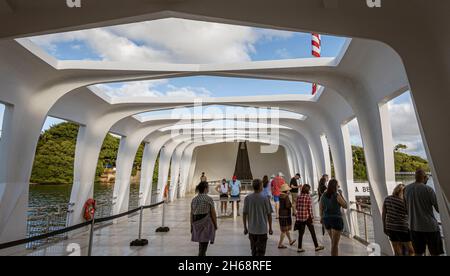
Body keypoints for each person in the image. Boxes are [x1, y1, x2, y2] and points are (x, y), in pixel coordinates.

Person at [404, 169, 444, 256]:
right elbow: (439, 209)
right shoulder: (428, 189)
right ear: (425, 178)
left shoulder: (406, 189)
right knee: (435, 253)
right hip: (430, 228)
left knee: (418, 253)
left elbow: (406, 208)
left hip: (414, 227)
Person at [243, 179, 274, 256]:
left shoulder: (248, 198)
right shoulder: (265, 198)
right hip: (262, 230)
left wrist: (245, 227)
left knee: (253, 251)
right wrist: (270, 228)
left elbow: (244, 214)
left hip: (252, 230)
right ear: (261, 186)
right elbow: (269, 214)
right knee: (261, 252)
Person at [382, 184, 414, 256]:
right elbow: (410, 214)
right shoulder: (404, 202)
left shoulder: (387, 199)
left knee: (397, 252)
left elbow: (384, 214)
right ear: (402, 192)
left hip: (390, 228)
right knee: (411, 251)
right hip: (402, 228)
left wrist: (384, 227)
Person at [320, 179, 348, 256]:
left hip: (327, 220)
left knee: (333, 242)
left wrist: (321, 217)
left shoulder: (323, 195)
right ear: (335, 186)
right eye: (337, 185)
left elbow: (321, 208)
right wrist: (341, 194)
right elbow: (345, 206)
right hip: (336, 220)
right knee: (334, 244)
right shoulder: (336, 195)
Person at [191, 181, 218, 256]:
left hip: (196, 223)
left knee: (201, 242)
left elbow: (191, 214)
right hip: (205, 224)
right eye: (208, 187)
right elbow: (213, 213)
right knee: (204, 244)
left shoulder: (194, 199)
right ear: (205, 189)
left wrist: (191, 225)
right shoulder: (208, 199)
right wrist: (215, 224)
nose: (208, 189)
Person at [295, 184, 325, 253]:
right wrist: (312, 217)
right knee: (312, 232)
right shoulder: (308, 197)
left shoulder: (299, 196)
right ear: (307, 190)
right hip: (307, 217)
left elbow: (296, 207)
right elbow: (310, 208)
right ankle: (316, 246)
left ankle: (299, 248)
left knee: (301, 233)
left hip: (300, 217)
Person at [277, 183, 296, 249]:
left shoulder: (280, 196)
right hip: (285, 215)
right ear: (286, 191)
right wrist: (292, 205)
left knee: (286, 229)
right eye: (288, 190)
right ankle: (280, 244)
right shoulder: (286, 197)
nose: (289, 191)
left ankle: (290, 240)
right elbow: (287, 205)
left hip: (281, 214)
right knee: (284, 230)